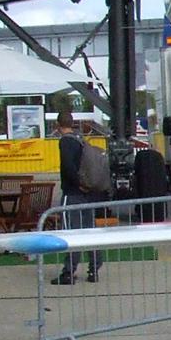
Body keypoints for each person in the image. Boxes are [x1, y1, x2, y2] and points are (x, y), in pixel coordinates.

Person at [52, 112, 105, 283]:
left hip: (73, 193)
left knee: (71, 232)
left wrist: (77, 183)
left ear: (58, 124)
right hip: (87, 194)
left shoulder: (66, 141)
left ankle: (69, 271)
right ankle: (94, 269)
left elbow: (68, 166)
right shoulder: (80, 139)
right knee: (89, 231)